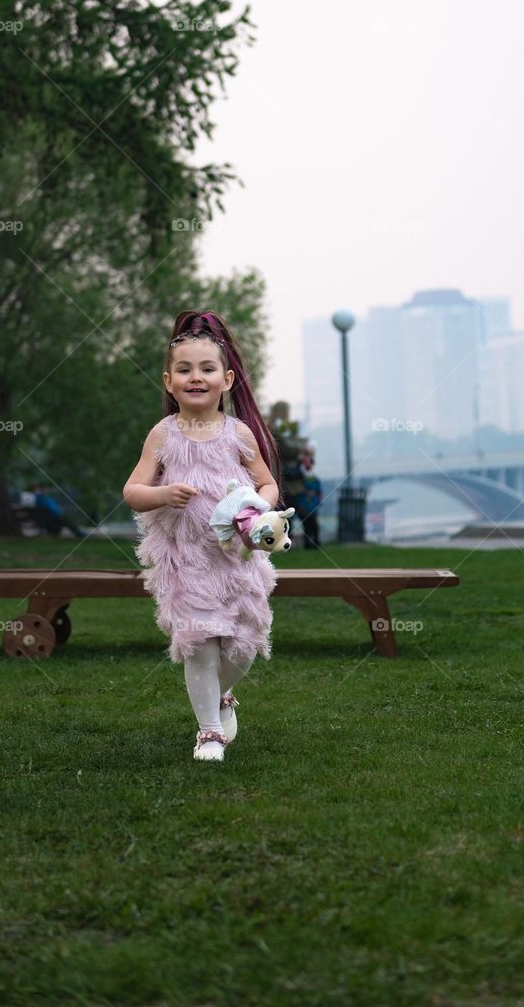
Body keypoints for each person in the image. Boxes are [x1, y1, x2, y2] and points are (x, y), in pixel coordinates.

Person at [123, 310, 283, 763]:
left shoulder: (239, 433)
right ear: (169, 381)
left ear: (227, 379)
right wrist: (161, 493)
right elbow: (132, 492)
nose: (197, 377)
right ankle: (209, 733)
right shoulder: (163, 434)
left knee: (244, 645)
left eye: (207, 369)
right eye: (185, 370)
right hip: (186, 558)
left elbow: (267, 484)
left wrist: (258, 508)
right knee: (200, 641)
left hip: (235, 558)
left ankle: (220, 695)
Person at [296, 464, 322, 549]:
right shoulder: (304, 479)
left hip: (311, 507)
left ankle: (314, 543)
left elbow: (319, 493)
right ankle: (309, 544)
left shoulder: (314, 479)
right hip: (306, 507)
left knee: (313, 527)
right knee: (308, 527)